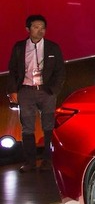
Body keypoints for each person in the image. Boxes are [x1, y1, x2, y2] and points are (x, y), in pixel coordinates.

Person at [6, 15, 66, 172]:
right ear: (28, 29)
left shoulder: (53, 47)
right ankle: (30, 162)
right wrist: (13, 90)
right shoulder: (20, 47)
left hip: (46, 91)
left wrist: (54, 90)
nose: (40, 31)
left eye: (43, 28)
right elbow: (12, 70)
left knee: (48, 126)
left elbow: (60, 71)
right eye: (36, 27)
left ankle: (48, 160)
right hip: (26, 90)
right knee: (27, 128)